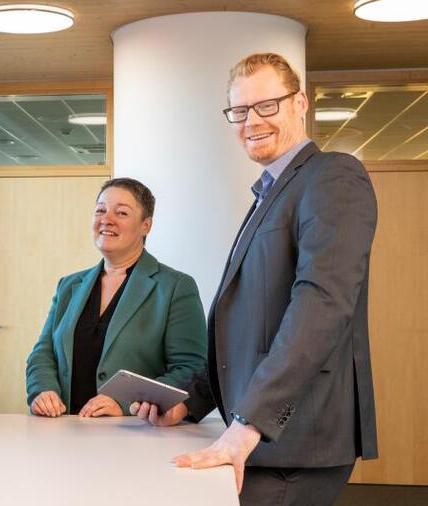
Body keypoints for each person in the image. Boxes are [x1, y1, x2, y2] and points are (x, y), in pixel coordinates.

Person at [133, 53, 378, 505]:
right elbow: (249, 331)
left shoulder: (332, 175)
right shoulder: (270, 193)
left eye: (267, 105)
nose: (252, 121)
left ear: (300, 103)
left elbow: (322, 303)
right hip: (263, 438)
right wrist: (188, 402)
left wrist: (249, 424)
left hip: (293, 440)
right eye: (240, 110)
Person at [26, 178, 207, 418]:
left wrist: (126, 403)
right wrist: (42, 390)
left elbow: (191, 369)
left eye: (121, 213)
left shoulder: (175, 287)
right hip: (64, 426)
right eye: (100, 210)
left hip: (133, 431)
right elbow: (43, 352)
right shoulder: (69, 286)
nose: (106, 219)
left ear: (146, 225)